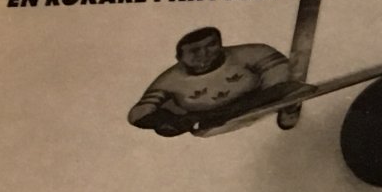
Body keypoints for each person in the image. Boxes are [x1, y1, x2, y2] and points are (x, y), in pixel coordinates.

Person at [126, 27, 297, 135]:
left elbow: (281, 80)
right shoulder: (169, 80)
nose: (205, 54)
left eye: (211, 45)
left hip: (259, 102)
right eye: (194, 51)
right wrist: (172, 121)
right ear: (180, 58)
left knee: (286, 87)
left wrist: (225, 113)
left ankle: (288, 107)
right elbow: (138, 114)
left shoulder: (252, 52)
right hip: (209, 123)